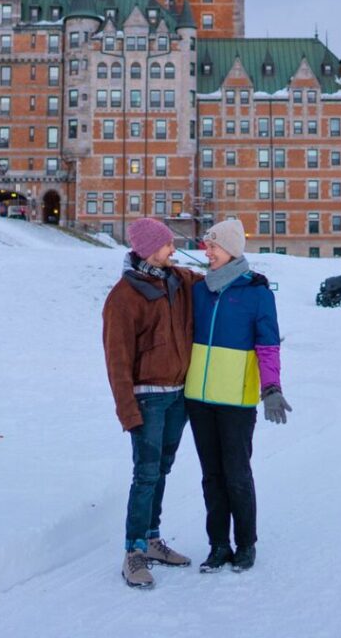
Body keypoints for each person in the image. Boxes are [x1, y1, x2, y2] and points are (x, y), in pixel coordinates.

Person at [185, 218, 291, 574]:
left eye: (213, 246)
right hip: (199, 399)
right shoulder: (199, 290)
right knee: (210, 476)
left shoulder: (257, 293)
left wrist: (271, 387)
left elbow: (268, 345)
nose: (207, 251)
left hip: (236, 401)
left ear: (231, 250)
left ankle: (246, 544)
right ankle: (218, 544)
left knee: (236, 474)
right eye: (206, 245)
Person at [102, 217, 201, 589]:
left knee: (161, 470)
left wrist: (247, 277)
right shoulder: (123, 298)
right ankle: (134, 551)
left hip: (178, 397)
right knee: (145, 475)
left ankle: (154, 538)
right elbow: (117, 360)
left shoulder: (178, 280)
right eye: (166, 245)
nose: (173, 250)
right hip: (147, 400)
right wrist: (127, 411)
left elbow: (215, 284)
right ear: (147, 250)